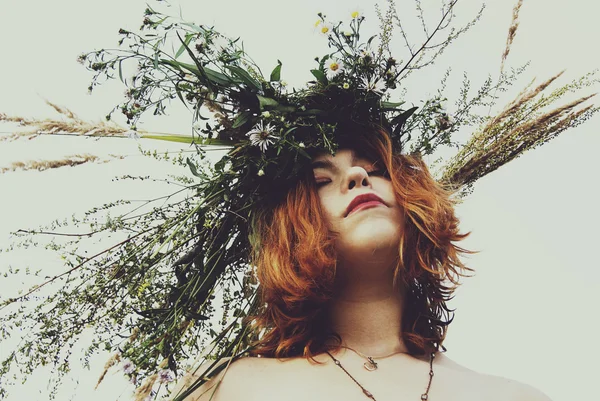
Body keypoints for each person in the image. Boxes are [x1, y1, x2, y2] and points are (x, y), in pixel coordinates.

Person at [169, 125, 553, 401]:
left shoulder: (514, 396)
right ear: (286, 230)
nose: (356, 176)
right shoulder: (226, 387)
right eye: (321, 180)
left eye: (376, 169)